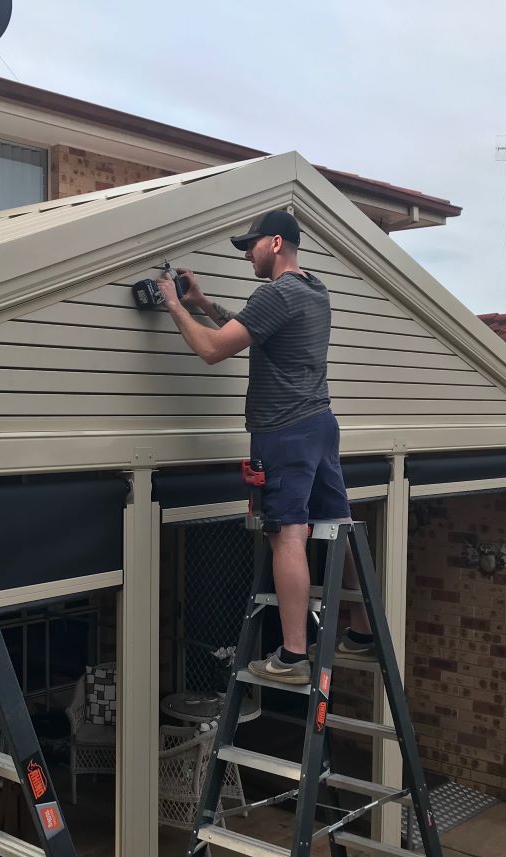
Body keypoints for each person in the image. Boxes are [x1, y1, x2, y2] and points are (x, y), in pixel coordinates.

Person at [157, 209, 374, 684]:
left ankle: (294, 655)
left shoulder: (277, 294)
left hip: (283, 430)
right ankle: (361, 631)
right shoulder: (314, 290)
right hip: (319, 424)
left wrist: (173, 304)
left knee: (287, 534)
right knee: (336, 524)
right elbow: (254, 331)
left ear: (276, 243)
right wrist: (204, 303)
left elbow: (214, 350)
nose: (247, 256)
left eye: (251, 246)